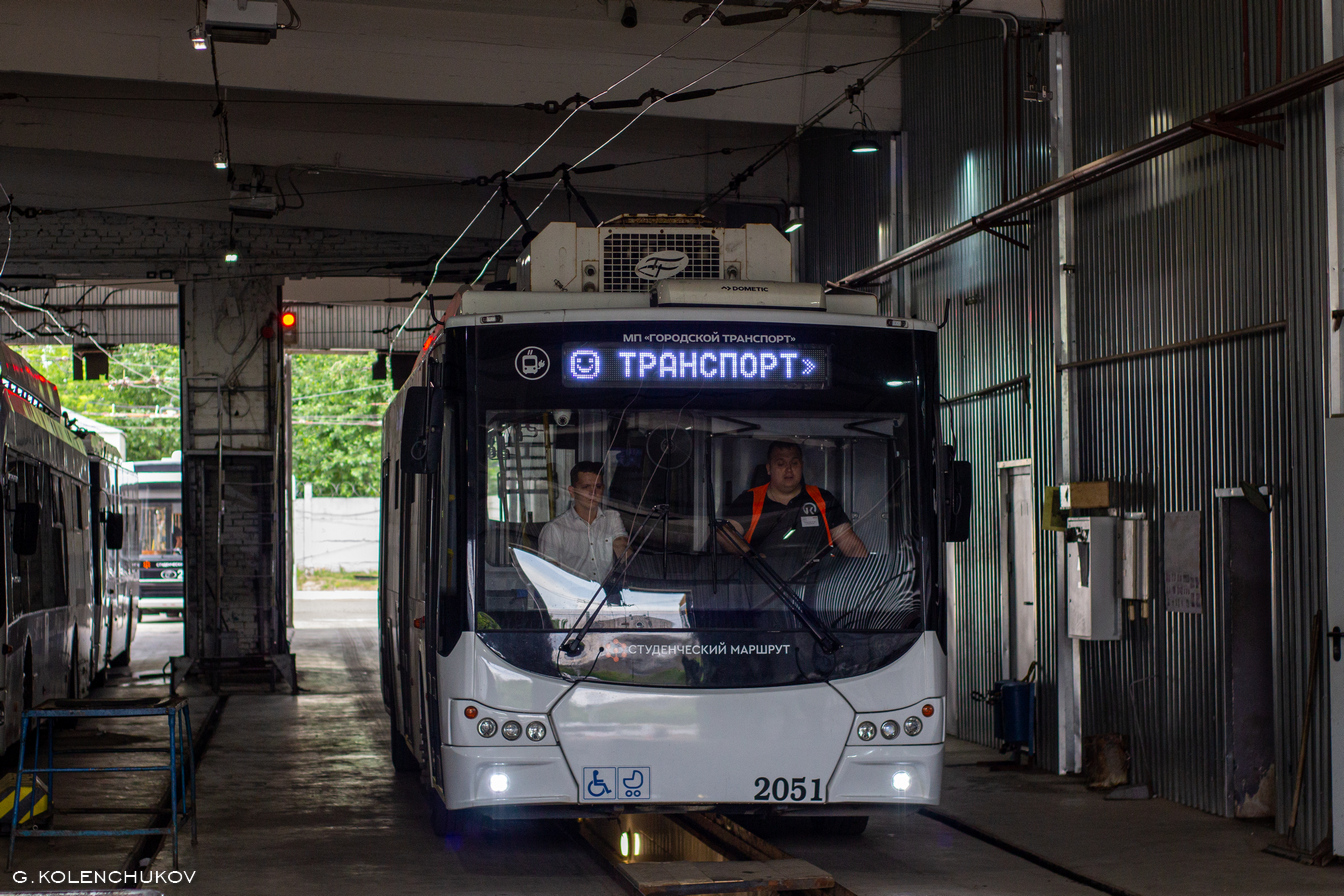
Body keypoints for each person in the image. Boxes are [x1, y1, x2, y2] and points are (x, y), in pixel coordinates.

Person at [719, 441, 867, 564]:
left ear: (801, 466)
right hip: (762, 582)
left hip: (816, 583)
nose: (789, 470)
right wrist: (751, 555)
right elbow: (723, 534)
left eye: (794, 463)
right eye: (781, 464)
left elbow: (852, 547)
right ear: (769, 469)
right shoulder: (750, 499)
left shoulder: (823, 499)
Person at [538, 461, 629, 581]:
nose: (593, 493)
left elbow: (626, 556)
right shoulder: (555, 529)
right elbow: (549, 577)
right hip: (572, 596)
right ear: (572, 492)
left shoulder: (611, 518)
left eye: (598, 487)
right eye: (586, 487)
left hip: (608, 593)